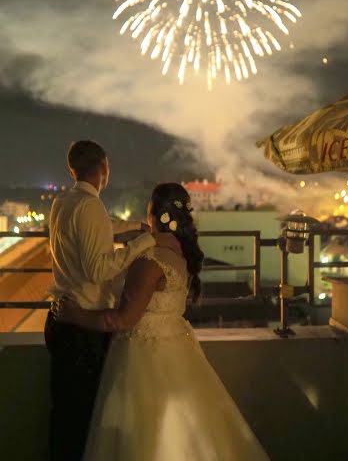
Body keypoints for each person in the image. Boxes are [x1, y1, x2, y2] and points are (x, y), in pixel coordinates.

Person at [56, 182, 270, 461]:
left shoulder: (150, 261)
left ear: (153, 216)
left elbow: (122, 319)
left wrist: (74, 314)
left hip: (141, 360)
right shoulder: (180, 256)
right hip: (177, 352)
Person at [45, 141, 180, 461]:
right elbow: (98, 269)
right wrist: (146, 240)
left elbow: (93, 232)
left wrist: (130, 228)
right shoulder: (90, 206)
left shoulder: (62, 201)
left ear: (72, 168)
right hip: (83, 326)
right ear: (104, 168)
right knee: (84, 419)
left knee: (64, 415)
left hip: (61, 319)